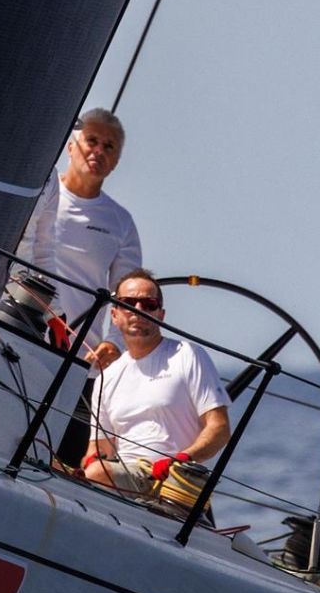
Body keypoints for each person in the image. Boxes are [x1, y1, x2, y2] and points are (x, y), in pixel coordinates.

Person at [81, 269, 232, 497]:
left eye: (148, 304)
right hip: (126, 477)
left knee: (95, 473)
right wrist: (82, 465)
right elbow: (99, 449)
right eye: (128, 303)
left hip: (174, 480)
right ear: (114, 315)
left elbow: (219, 428)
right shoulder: (106, 378)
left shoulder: (188, 355)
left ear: (160, 314)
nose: (138, 310)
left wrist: (182, 459)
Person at [18, 107, 141, 370]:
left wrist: (115, 343)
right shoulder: (42, 192)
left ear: (116, 162)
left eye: (109, 147)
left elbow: (129, 295)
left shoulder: (121, 222)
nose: (98, 151)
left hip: (80, 357)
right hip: (18, 331)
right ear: (70, 148)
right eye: (92, 141)